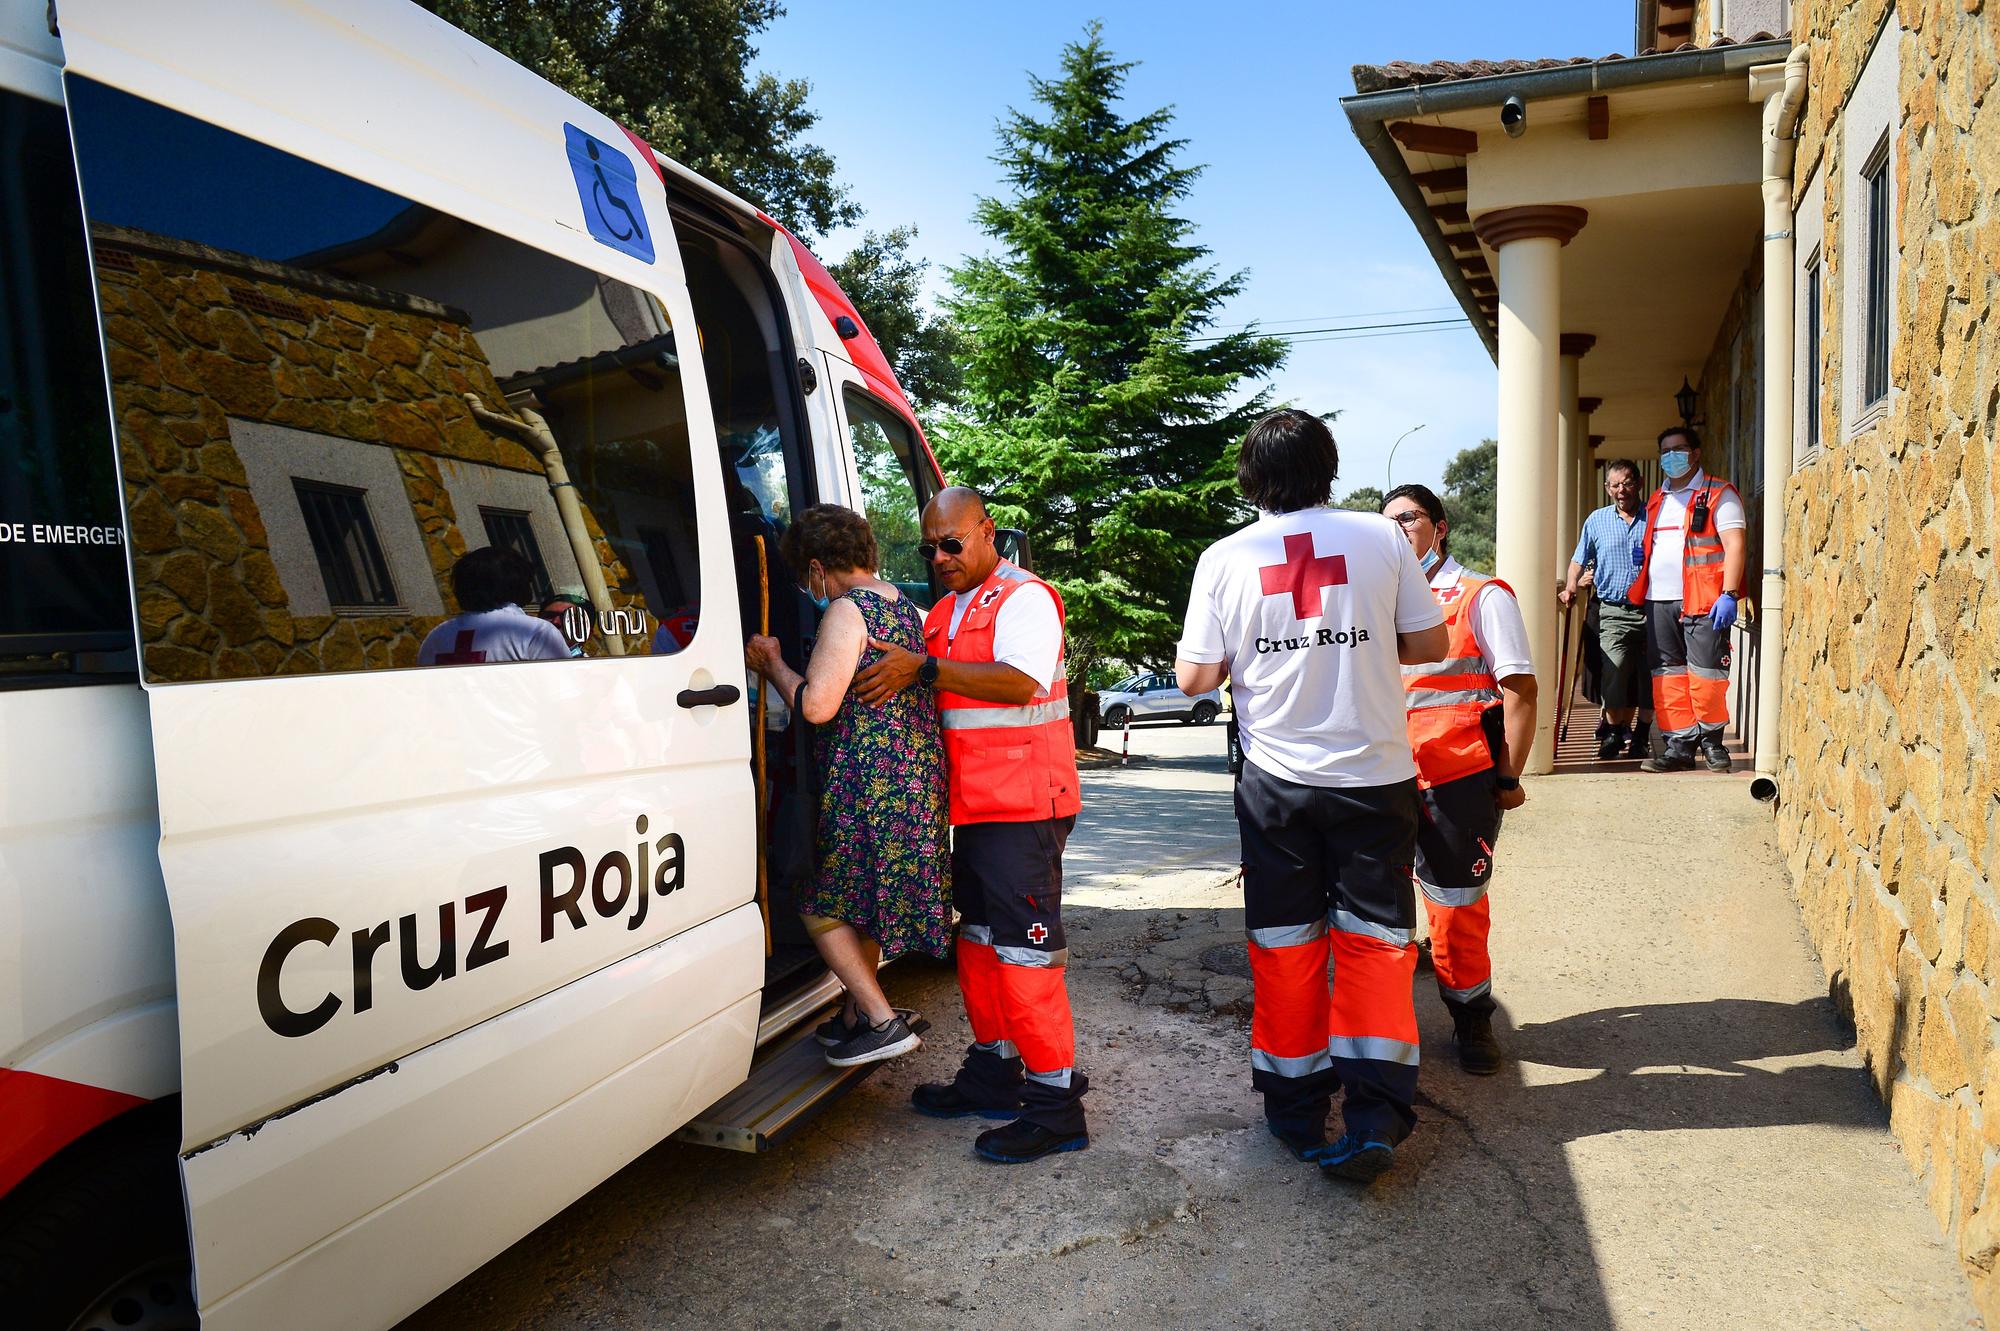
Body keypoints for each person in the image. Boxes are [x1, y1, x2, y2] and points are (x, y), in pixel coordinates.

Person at [1173, 410, 1448, 1184]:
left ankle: (1295, 1111)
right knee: (1376, 947)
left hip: (1277, 786)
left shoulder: (1224, 557)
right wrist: (1356, 632)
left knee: (1287, 945)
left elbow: (1195, 679)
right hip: (1375, 779)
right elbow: (1431, 643)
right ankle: (1375, 1116)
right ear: (1330, 468)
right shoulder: (1382, 535)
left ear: (1250, 479)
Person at [852, 487, 1088, 1165]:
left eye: (952, 543)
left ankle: (1055, 1104)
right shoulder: (946, 613)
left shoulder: (1025, 597)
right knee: (980, 944)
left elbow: (1020, 681)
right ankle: (995, 1071)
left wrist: (922, 668)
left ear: (988, 533)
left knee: (1026, 954)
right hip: (975, 809)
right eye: (928, 548)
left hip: (1026, 807)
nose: (940, 556)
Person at [744, 505, 949, 1067]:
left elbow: (816, 706)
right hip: (911, 776)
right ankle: (858, 1014)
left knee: (819, 902)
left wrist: (773, 665)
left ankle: (881, 1021)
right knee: (863, 901)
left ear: (817, 567)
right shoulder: (905, 607)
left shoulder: (844, 609)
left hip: (867, 781)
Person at [1380, 484, 1537, 1076]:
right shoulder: (1378, 601)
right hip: (1385, 777)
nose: (1398, 530)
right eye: (1387, 522)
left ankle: (1472, 1016)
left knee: (1456, 906)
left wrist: (1509, 776)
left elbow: (1520, 689)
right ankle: (1387, 1028)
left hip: (1457, 779)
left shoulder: (1481, 596)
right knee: (1380, 906)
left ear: (1439, 527)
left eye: (1409, 518)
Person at [1626, 427, 1746, 773]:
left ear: (1695, 453)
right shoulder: (1657, 500)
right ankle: (1678, 746)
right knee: (1668, 676)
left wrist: (1730, 593)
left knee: (1707, 673)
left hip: (1705, 599)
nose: (1671, 457)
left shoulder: (1719, 494)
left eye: (1678, 449)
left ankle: (1712, 743)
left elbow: (1735, 544)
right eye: (1665, 451)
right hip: (1658, 600)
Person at [1560, 461, 1652, 759]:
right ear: (1607, 488)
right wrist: (1571, 585)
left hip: (1654, 608)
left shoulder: (1655, 517)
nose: (1620, 490)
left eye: (1626, 483)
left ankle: (1642, 733)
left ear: (1638, 483)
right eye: (1614, 485)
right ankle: (1614, 732)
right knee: (1614, 671)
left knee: (1649, 675)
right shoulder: (1597, 520)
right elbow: (1578, 558)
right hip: (1612, 611)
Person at [418, 546, 572, 665]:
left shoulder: (436, 636)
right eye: (528, 580)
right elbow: (563, 696)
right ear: (516, 583)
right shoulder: (535, 631)